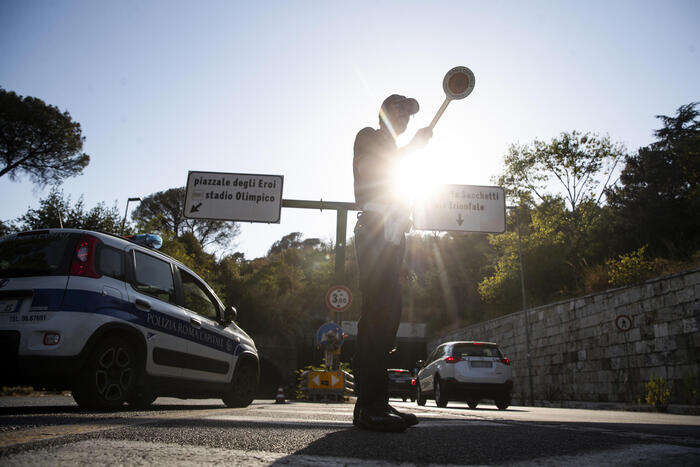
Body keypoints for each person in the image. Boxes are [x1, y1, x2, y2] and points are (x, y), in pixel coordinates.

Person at [352, 94, 432, 432]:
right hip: (373, 232)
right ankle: (367, 408)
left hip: (391, 240)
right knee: (376, 320)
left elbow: (399, 204)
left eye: (410, 114)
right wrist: (413, 148)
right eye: (400, 109)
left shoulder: (398, 153)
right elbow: (379, 170)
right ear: (384, 111)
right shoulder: (368, 136)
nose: (405, 117)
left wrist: (402, 249)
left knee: (387, 323)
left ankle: (379, 402)